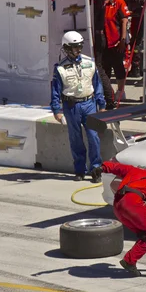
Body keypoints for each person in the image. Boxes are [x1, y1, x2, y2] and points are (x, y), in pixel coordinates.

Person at [50, 31, 106, 182]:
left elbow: (97, 85)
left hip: (89, 103)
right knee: (75, 139)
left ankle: (96, 169)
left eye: (80, 46)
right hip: (71, 105)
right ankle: (79, 170)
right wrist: (56, 110)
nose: (78, 50)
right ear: (66, 48)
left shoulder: (90, 63)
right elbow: (55, 90)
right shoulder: (60, 68)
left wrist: (102, 105)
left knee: (94, 137)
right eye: (75, 47)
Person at [102, 0, 131, 102]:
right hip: (104, 42)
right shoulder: (100, 2)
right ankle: (108, 92)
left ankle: (120, 91)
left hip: (116, 41)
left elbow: (124, 20)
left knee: (118, 67)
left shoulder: (119, 1)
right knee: (105, 68)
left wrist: (123, 40)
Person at [90, 0, 115, 109]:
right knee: (97, 67)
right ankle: (104, 96)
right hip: (97, 33)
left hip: (97, 35)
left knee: (98, 67)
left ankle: (109, 97)